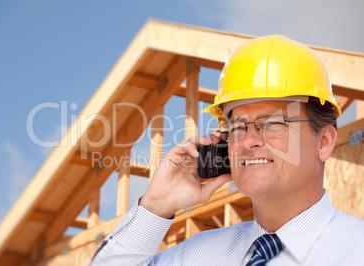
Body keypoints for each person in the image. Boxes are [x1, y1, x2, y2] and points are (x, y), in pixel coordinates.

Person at [90, 35, 364, 265]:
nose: (247, 140)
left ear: (324, 141)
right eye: (236, 126)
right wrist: (156, 206)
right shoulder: (199, 255)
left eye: (273, 123)